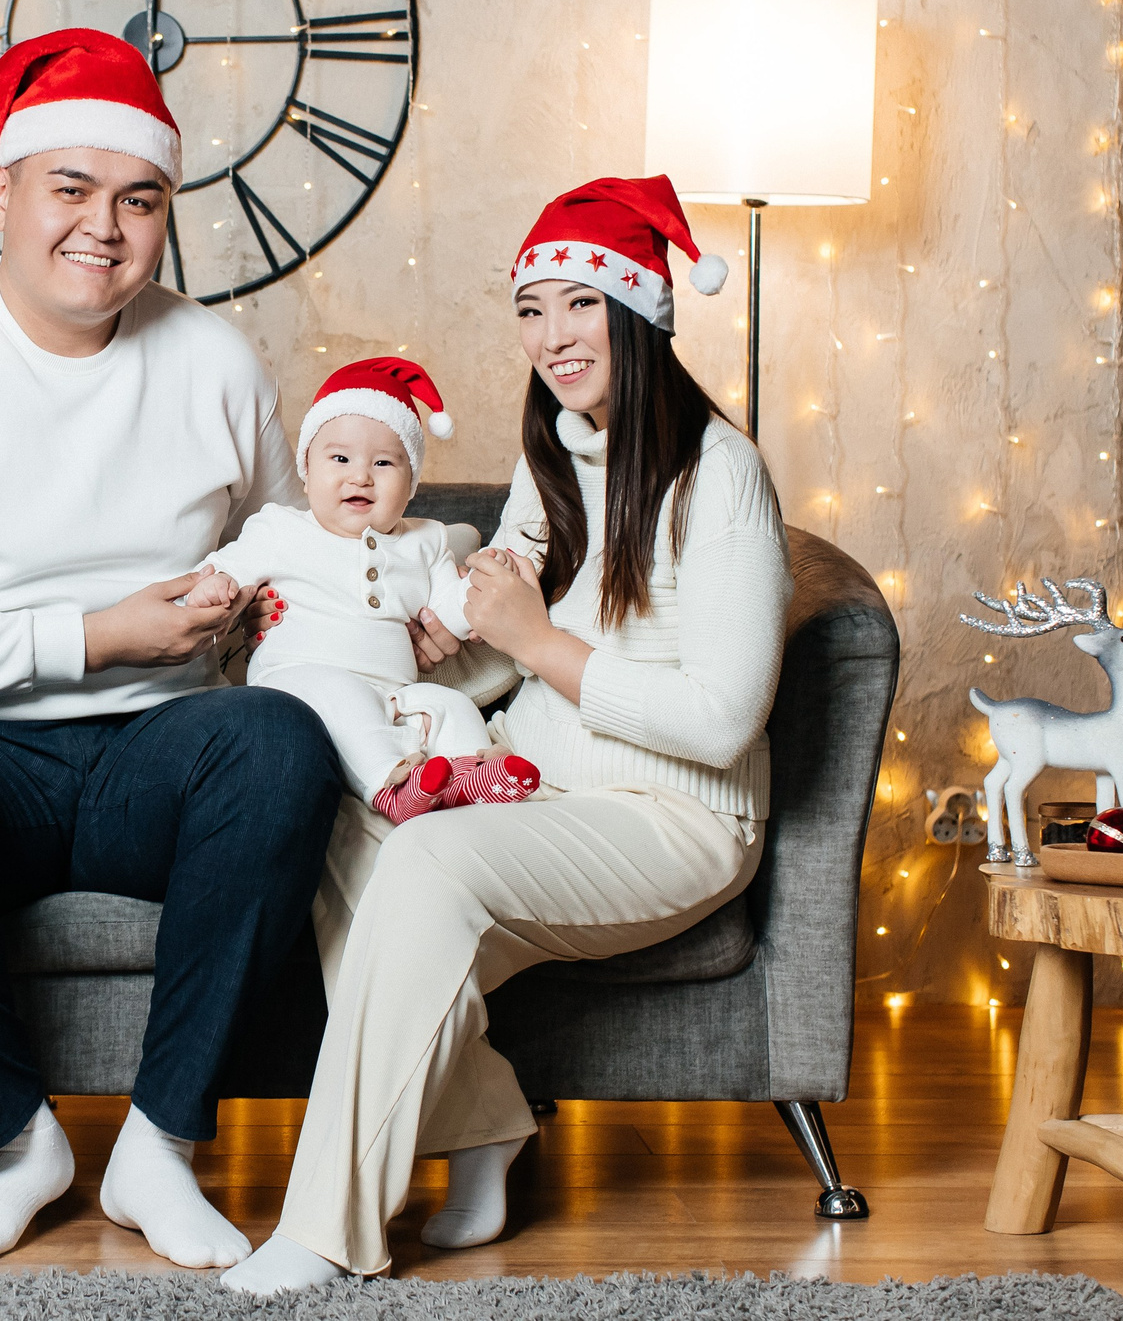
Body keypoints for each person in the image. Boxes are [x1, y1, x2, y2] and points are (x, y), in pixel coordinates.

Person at [0, 28, 337, 1270]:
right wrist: (95, 637)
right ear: (0, 194)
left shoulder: (213, 359)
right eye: (71, 189)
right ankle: (13, 1143)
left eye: (139, 200)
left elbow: (279, 557)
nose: (105, 227)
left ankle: (160, 1146)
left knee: (279, 742)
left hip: (163, 749)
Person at [224, 175, 793, 1293]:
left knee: (430, 858)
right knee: (340, 827)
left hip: (674, 816)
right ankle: (484, 1124)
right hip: (539, 785)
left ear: (640, 310)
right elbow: (512, 641)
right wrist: (421, 638)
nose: (552, 335)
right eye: (532, 309)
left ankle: (325, 1230)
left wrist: (533, 640)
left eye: (580, 304)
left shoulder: (721, 475)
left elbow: (724, 719)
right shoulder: (556, 455)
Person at [183, 356, 542, 823]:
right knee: (343, 695)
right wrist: (216, 585)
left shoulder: (426, 540)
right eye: (340, 459)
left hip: (395, 690)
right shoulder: (280, 529)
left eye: (383, 463)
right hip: (299, 679)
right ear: (306, 470)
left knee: (449, 704)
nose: (360, 476)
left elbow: (446, 613)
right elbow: (227, 568)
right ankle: (389, 787)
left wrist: (482, 585)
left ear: (411, 484)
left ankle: (471, 777)